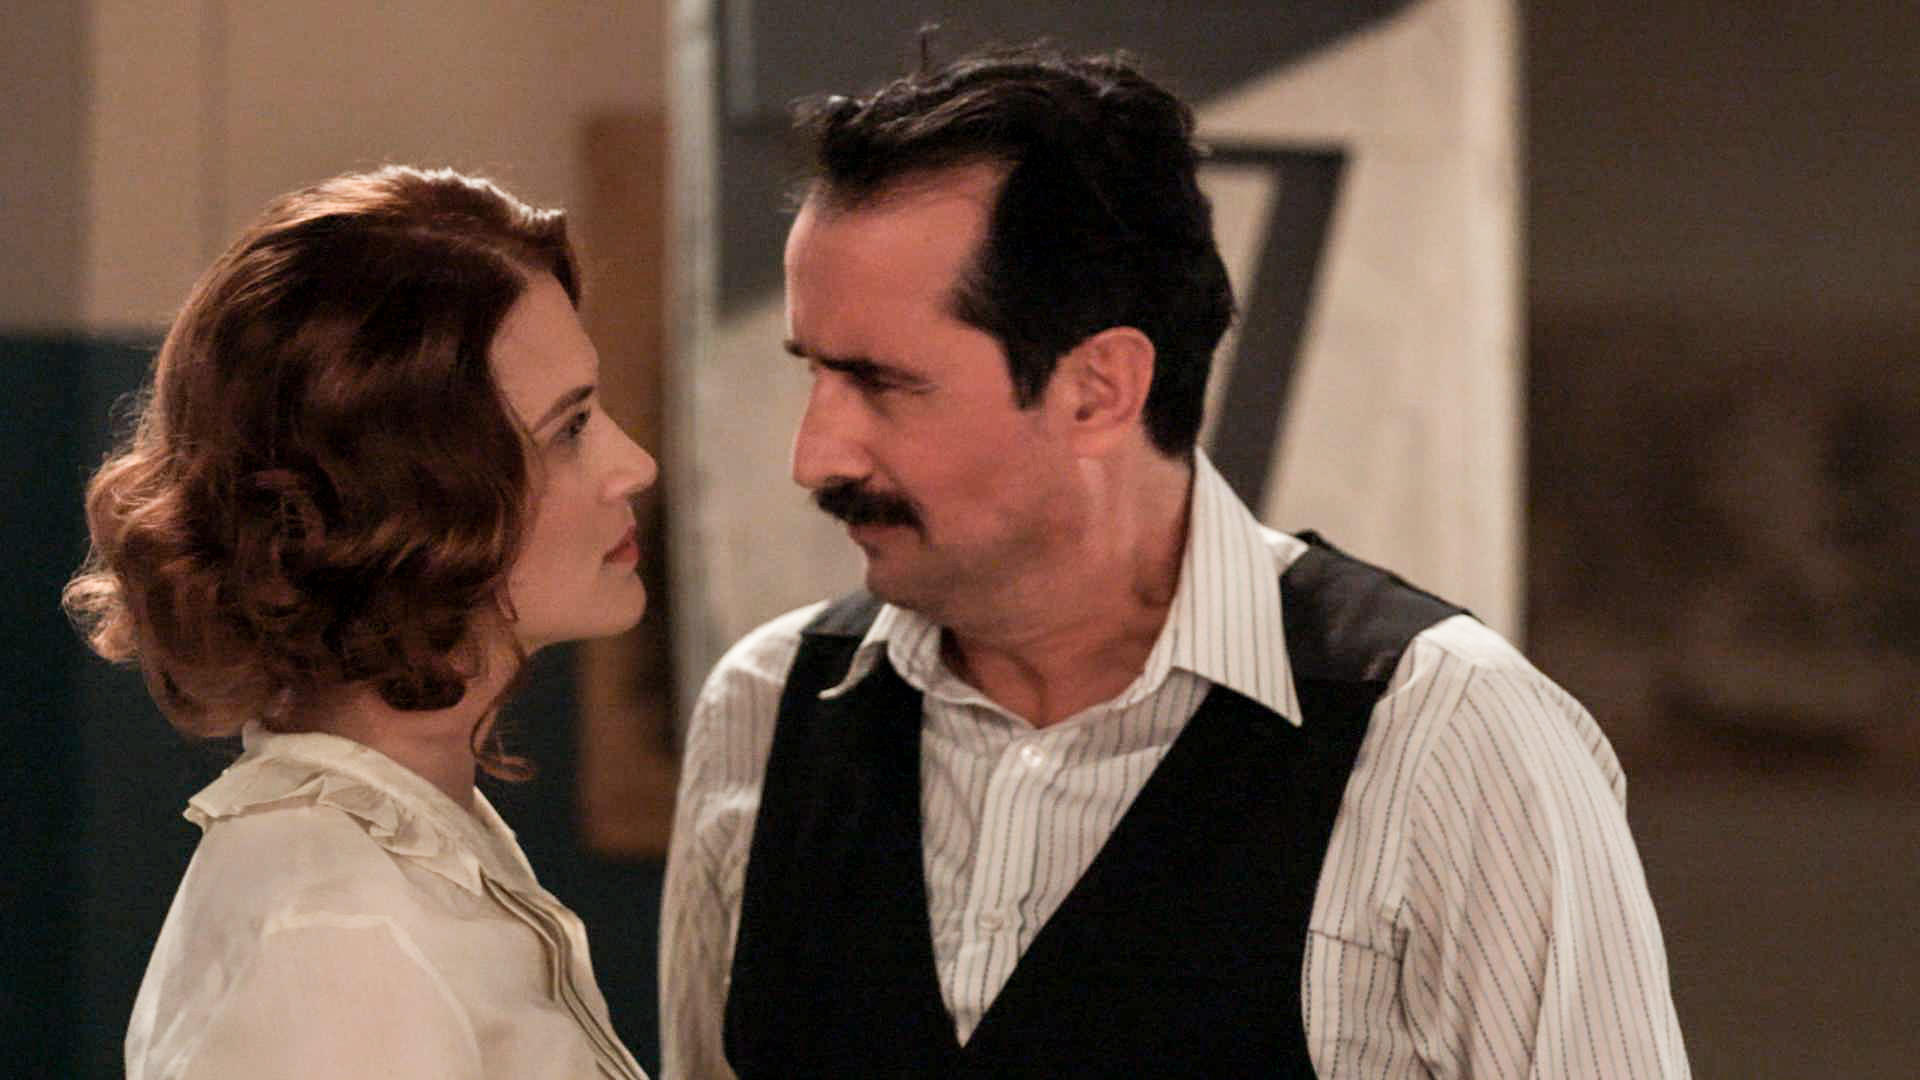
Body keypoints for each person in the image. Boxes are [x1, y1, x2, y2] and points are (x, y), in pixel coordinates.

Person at [659, 45, 1690, 1079]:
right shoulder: (765, 708)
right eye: (812, 372)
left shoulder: (1451, 738)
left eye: (882, 383)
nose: (815, 456)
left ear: (1099, 389)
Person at [66, 166, 653, 1080]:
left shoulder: (409, 845)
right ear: (408, 504)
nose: (635, 464)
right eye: (569, 428)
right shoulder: (337, 930)